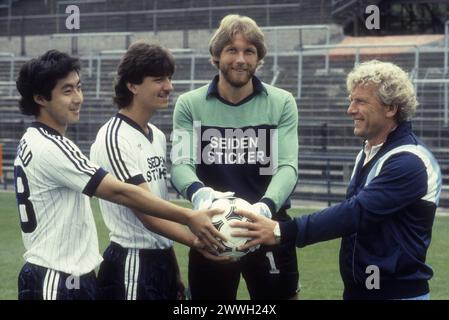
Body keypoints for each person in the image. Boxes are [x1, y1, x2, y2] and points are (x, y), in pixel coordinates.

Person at [14, 49, 225, 300]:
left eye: (78, 88)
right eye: (67, 91)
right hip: (57, 274)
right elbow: (121, 192)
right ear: (40, 98)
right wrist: (190, 217)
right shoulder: (55, 146)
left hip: (70, 272)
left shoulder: (35, 139)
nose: (78, 98)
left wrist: (171, 266)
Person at [232, 60, 442, 300]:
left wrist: (282, 230)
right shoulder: (368, 152)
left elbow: (356, 213)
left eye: (361, 101)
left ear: (391, 108)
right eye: (350, 100)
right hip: (359, 292)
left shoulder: (409, 161)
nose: (350, 110)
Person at [170, 14, 299, 300]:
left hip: (267, 228)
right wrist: (199, 194)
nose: (240, 59)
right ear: (216, 56)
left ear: (258, 58)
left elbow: (288, 166)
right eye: (231, 50)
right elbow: (180, 164)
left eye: (249, 51)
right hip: (212, 230)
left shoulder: (282, 102)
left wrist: (264, 208)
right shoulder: (189, 104)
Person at [90, 41, 228, 300]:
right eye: (158, 79)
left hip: (160, 258)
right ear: (132, 85)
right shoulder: (114, 137)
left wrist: (173, 267)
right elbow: (145, 212)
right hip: (133, 261)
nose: (169, 87)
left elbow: (159, 204)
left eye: (169, 78)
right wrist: (198, 241)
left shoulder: (156, 135)